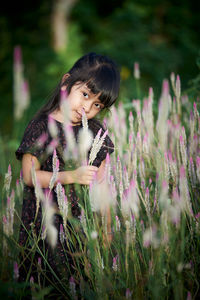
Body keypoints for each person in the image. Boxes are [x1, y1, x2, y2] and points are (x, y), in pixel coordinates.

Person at [15, 52, 120, 298]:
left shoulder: (96, 132)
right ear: (66, 83)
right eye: (85, 95)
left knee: (80, 285)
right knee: (45, 284)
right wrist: (71, 175)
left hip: (81, 227)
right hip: (43, 225)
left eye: (97, 105)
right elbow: (30, 176)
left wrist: (106, 229)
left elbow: (102, 184)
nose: (87, 107)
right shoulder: (40, 127)